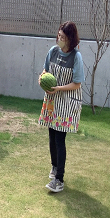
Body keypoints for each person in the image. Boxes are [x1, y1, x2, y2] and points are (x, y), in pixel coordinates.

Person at [39, 22, 84, 193]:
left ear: (70, 39)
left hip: (66, 102)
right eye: (59, 35)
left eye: (63, 37)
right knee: (51, 137)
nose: (60, 39)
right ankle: (54, 166)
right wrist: (41, 78)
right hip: (52, 101)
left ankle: (59, 179)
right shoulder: (53, 51)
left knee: (59, 139)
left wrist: (58, 88)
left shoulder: (76, 57)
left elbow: (77, 83)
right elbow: (45, 71)